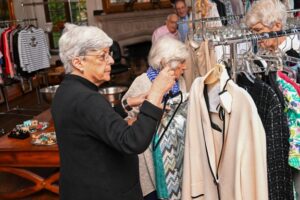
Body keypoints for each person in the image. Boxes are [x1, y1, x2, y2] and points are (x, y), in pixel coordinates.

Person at [51, 23, 177, 200]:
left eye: (108, 54)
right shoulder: (87, 99)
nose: (111, 60)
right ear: (78, 62)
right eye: (103, 56)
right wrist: (155, 94)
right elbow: (133, 142)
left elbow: (96, 123)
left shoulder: (67, 90)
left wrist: (127, 104)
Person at [121, 36, 189, 200]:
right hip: (152, 152)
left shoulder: (180, 81)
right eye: (181, 62)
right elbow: (125, 120)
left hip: (176, 150)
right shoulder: (142, 82)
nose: (185, 66)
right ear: (166, 62)